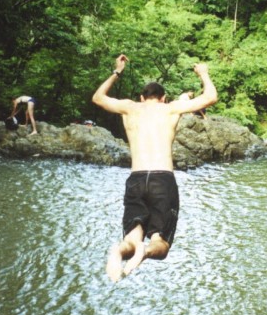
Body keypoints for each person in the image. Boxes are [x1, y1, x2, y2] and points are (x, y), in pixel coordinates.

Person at [92, 54, 218, 281]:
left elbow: (98, 98)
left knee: (131, 237)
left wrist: (117, 70)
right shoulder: (171, 109)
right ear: (163, 98)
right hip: (162, 179)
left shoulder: (129, 108)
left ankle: (121, 251)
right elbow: (210, 97)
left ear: (142, 98)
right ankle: (147, 250)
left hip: (136, 179)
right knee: (160, 242)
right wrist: (204, 74)